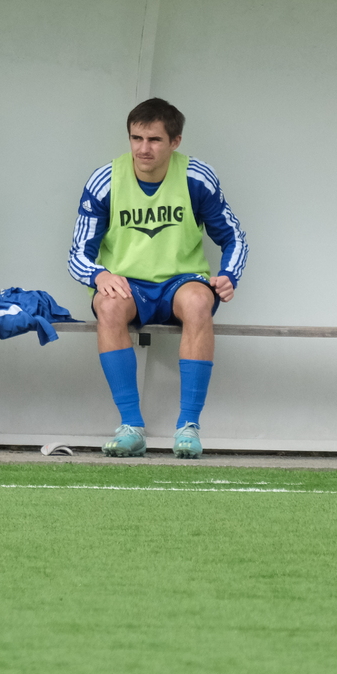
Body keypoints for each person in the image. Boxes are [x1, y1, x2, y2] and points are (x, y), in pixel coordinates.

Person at [67, 98, 247, 459]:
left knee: (199, 301)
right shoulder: (105, 180)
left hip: (181, 281)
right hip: (128, 284)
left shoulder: (197, 177)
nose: (143, 149)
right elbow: (77, 254)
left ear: (175, 142)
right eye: (136, 138)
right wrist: (99, 274)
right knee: (109, 305)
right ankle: (131, 427)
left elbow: (234, 237)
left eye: (154, 140)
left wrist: (229, 275)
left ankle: (188, 427)